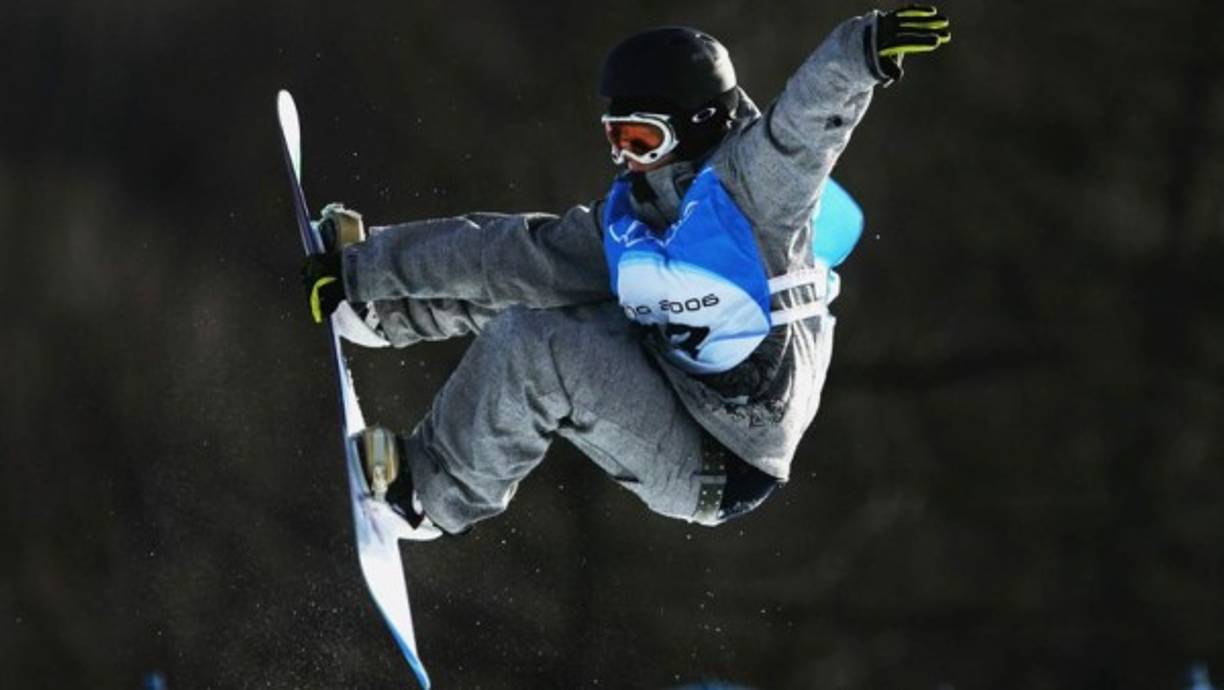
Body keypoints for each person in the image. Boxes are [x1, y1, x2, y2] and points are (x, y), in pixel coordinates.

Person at [302, 6, 952, 539]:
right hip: (674, 372)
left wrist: (860, 52)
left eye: (642, 141)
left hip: (720, 460)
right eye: (615, 139)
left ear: (697, 126)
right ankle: (384, 314)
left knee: (536, 345)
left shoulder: (757, 192)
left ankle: (428, 497)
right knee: (540, 275)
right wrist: (366, 269)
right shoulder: (635, 213)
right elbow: (507, 255)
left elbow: (806, 125)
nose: (626, 160)